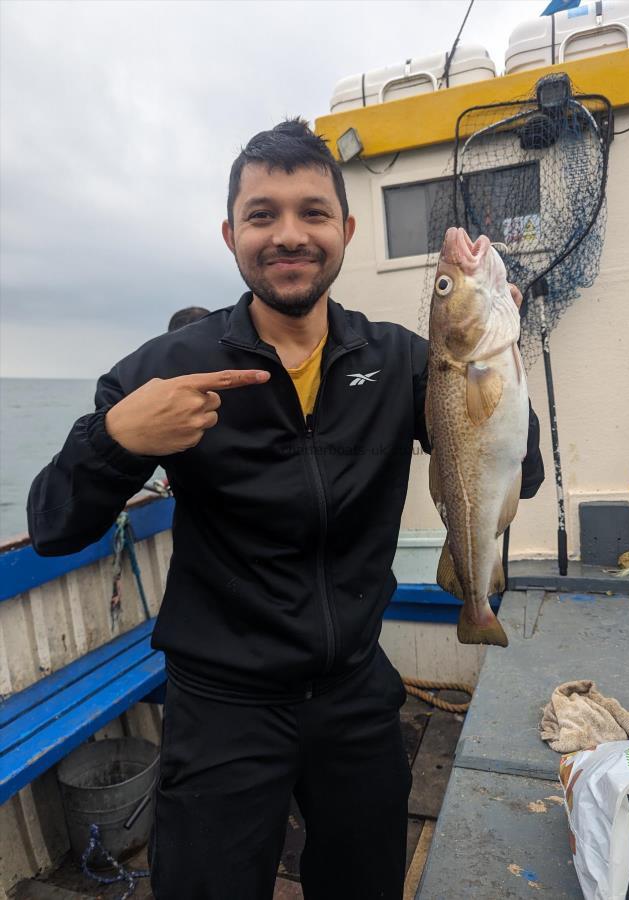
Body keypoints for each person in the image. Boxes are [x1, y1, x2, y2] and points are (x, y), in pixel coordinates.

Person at [28, 119, 544, 899]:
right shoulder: (165, 369)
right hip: (221, 705)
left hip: (356, 693)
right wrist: (116, 437)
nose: (288, 235)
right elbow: (56, 526)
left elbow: (520, 476)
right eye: (263, 215)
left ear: (345, 229)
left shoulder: (405, 358)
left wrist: (502, 368)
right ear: (231, 234)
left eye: (312, 212)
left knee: (364, 884)